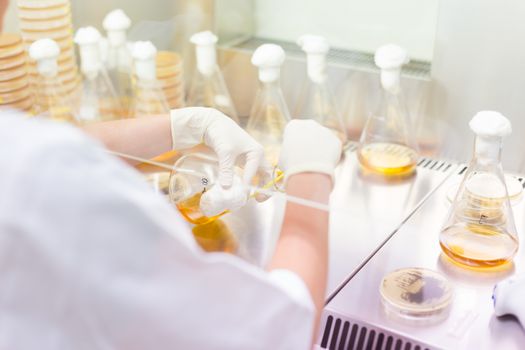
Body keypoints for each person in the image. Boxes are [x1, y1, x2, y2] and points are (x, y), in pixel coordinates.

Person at [0, 107, 342, 349]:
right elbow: (276, 334)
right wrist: (310, 176)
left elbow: (32, 146)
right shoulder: (38, 185)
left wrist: (185, 126)